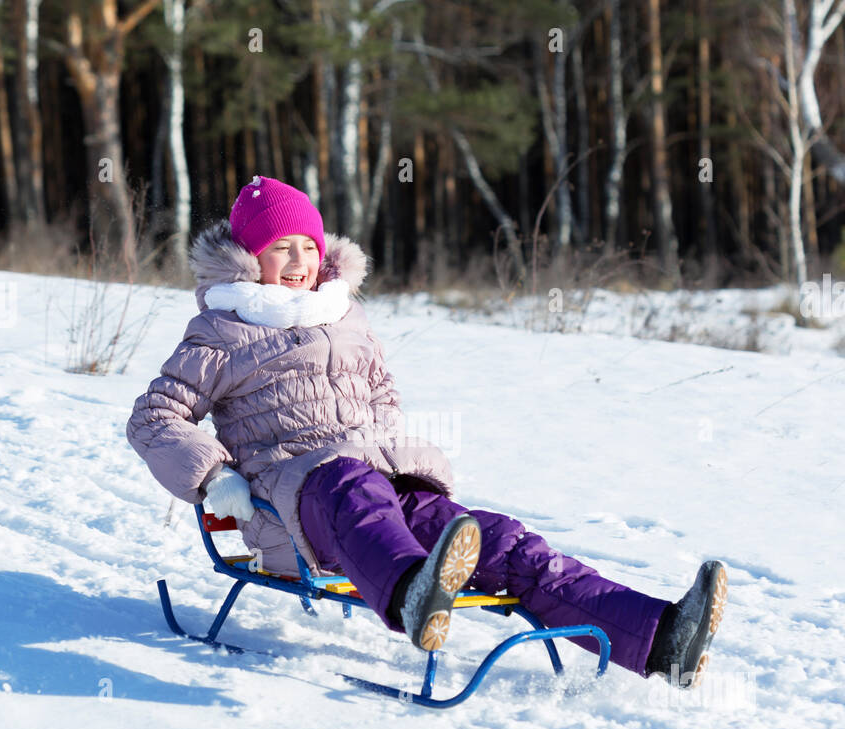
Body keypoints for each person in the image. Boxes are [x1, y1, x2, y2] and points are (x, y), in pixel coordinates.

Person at [127, 175, 728, 688]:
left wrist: (384, 449)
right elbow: (154, 417)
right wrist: (213, 477)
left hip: (375, 482)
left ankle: (660, 639)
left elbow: (382, 391)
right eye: (279, 248)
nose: (298, 263)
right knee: (348, 487)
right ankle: (414, 593)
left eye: (306, 246)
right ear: (248, 258)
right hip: (290, 505)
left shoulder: (343, 313)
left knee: (502, 541)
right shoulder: (222, 330)